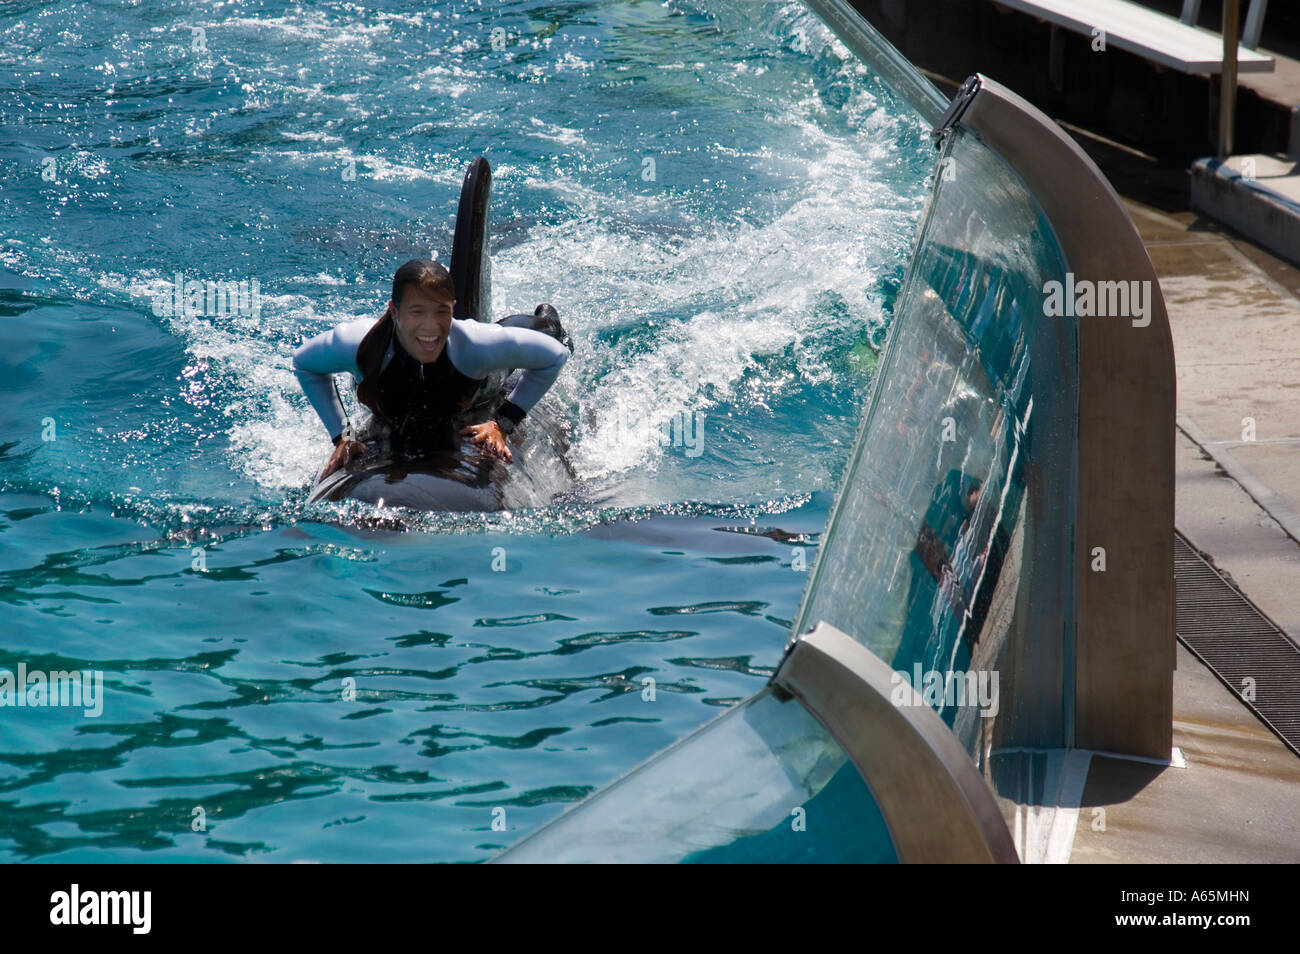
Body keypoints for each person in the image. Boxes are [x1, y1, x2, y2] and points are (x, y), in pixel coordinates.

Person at [293, 259, 569, 478]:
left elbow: (555, 356)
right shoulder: (356, 343)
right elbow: (305, 364)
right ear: (394, 311)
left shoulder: (476, 346)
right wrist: (343, 436)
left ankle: (548, 323)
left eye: (441, 311)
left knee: (527, 333)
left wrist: (503, 422)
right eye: (417, 311)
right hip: (405, 401)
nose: (430, 326)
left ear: (453, 308)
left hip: (480, 389)